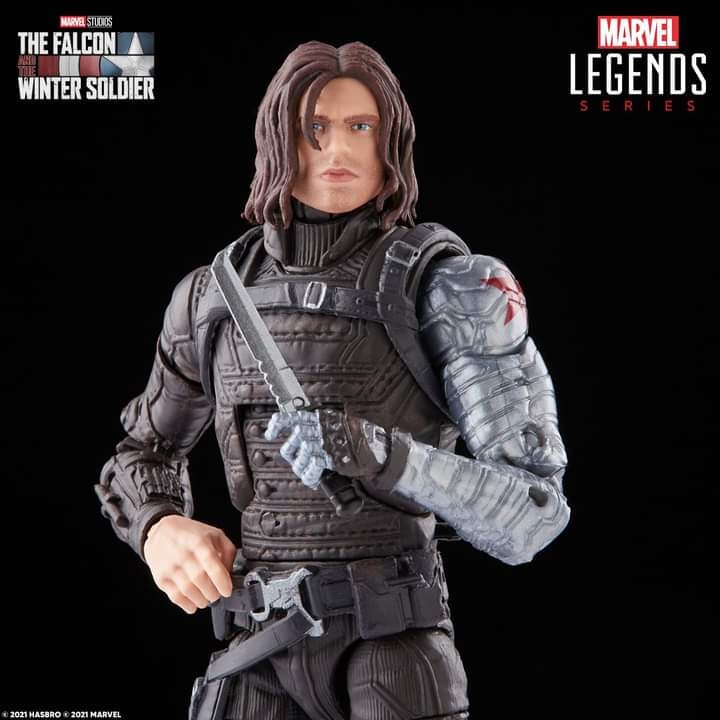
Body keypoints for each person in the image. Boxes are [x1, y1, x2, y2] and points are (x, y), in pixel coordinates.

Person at [96, 41, 570, 720]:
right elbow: (141, 454)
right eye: (313, 127)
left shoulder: (449, 289)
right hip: (258, 644)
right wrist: (159, 526)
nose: (337, 148)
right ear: (277, 140)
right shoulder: (210, 298)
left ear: (390, 139)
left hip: (392, 642)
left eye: (360, 125)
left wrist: (379, 454)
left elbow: (534, 512)